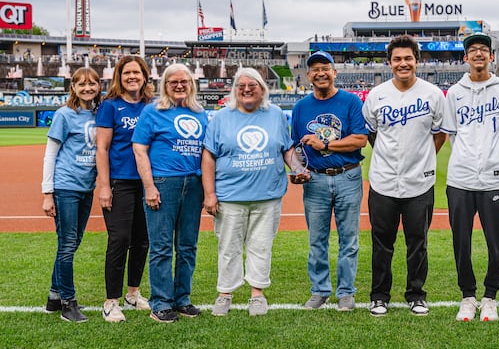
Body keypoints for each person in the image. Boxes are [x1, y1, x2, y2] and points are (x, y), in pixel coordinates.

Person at [362, 35, 446, 317]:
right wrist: (389, 158)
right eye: (397, 59)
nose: (403, 63)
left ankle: (416, 294)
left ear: (417, 61)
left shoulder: (433, 94)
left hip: (420, 182)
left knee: (417, 243)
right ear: (389, 63)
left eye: (408, 58)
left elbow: (440, 133)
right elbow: (372, 133)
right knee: (381, 243)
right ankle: (379, 296)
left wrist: (421, 159)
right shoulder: (376, 95)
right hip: (383, 182)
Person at [202, 68, 295, 317]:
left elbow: (286, 148)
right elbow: (208, 156)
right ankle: (225, 293)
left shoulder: (275, 114)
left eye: (252, 85)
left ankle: (257, 294)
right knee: (228, 246)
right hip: (230, 196)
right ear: (234, 90)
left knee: (261, 246)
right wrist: (209, 194)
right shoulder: (222, 117)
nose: (246, 90)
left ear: (262, 89)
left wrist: (296, 168)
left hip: (268, 195)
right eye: (241, 86)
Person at [441, 32, 499, 322]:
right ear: (466, 58)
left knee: (496, 243)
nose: (479, 54)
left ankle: (490, 297)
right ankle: (467, 297)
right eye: (473, 50)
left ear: (491, 56)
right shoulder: (454, 93)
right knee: (462, 241)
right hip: (460, 179)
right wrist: (466, 161)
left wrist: (495, 161)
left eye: (484, 50)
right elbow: (452, 136)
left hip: (493, 179)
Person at [291, 51, 368, 312]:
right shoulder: (301, 107)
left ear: (334, 72)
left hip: (347, 175)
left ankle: (346, 292)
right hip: (316, 181)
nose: (320, 73)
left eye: (325, 68)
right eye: (315, 69)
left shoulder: (350, 101)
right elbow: (294, 148)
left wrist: (325, 144)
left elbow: (360, 139)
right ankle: (320, 290)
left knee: (349, 239)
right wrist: (297, 168)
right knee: (317, 239)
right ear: (308, 75)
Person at [132, 63, 207, 323]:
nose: (179, 85)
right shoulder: (153, 111)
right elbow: (140, 150)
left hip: (194, 184)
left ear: (191, 84)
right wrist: (150, 186)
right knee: (162, 246)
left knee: (187, 246)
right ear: (164, 85)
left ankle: (182, 299)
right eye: (173, 81)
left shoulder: (200, 113)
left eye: (184, 81)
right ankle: (161, 302)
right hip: (164, 182)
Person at [95, 55, 153, 323]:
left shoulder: (151, 106)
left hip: (147, 183)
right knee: (119, 240)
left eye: (137, 73)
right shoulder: (110, 106)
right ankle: (111, 301)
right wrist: (104, 186)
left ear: (144, 76)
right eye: (127, 72)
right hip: (120, 182)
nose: (132, 77)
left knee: (142, 240)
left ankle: (133, 293)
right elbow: (102, 148)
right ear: (119, 76)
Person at [41, 67, 101, 322]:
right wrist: (47, 192)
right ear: (73, 88)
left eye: (92, 84)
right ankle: (68, 302)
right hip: (66, 187)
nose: (87, 88)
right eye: (82, 84)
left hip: (87, 187)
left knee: (73, 242)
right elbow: (50, 154)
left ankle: (54, 296)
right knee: (67, 244)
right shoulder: (64, 114)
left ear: (98, 86)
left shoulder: (100, 114)